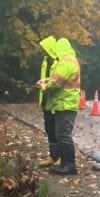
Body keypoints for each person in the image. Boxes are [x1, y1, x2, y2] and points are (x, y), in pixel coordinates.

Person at [36, 37, 80, 176]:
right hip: (63, 103)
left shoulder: (66, 62)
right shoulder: (68, 60)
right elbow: (57, 78)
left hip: (65, 103)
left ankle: (69, 166)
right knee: (61, 134)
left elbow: (56, 83)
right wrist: (47, 80)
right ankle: (64, 164)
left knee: (63, 135)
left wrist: (44, 86)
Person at [37, 36, 60, 168]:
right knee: (49, 129)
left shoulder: (57, 62)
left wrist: (46, 82)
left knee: (58, 130)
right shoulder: (46, 61)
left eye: (45, 49)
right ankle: (53, 156)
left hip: (55, 100)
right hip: (46, 99)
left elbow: (56, 80)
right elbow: (49, 77)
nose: (43, 51)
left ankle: (60, 157)